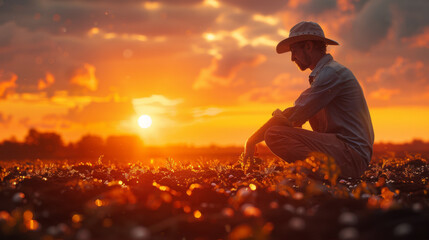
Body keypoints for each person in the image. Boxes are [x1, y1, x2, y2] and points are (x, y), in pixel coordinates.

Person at [242, 21, 374, 178]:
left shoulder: (330, 74)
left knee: (274, 135)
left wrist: (251, 141)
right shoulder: (327, 73)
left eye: (294, 51)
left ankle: (318, 173)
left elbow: (292, 116)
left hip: (351, 155)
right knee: (278, 131)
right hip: (347, 152)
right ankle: (315, 171)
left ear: (309, 47)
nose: (292, 58)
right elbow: (294, 118)